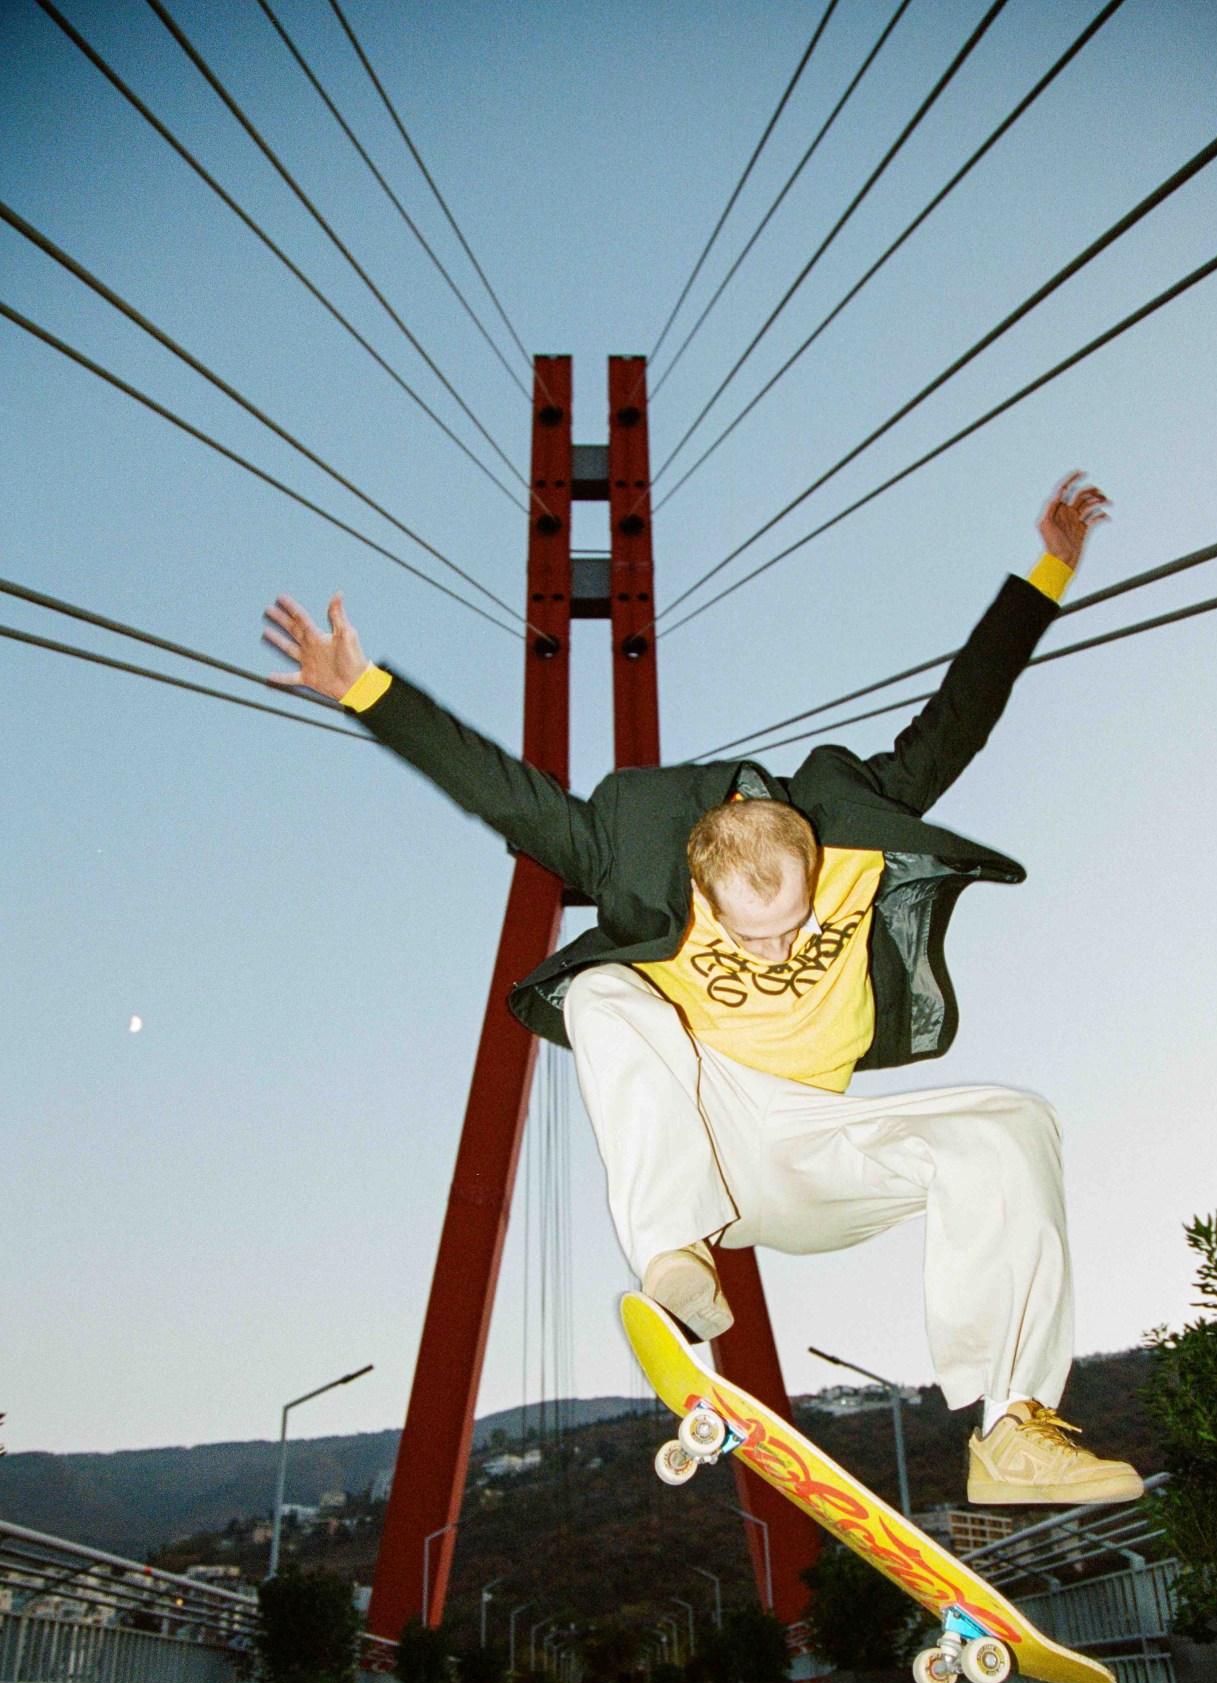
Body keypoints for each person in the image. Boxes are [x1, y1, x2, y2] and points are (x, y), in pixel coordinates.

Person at [263, 473, 1141, 1506]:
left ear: (814, 859)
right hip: (704, 1125)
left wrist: (1048, 574)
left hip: (815, 1144)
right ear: (701, 886)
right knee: (604, 994)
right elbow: (504, 787)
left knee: (1014, 1127)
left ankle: (1012, 1432)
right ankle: (670, 1246)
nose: (775, 952)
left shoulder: (857, 820)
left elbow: (962, 711)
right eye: (749, 933)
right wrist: (368, 688)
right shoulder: (625, 849)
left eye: (795, 924)